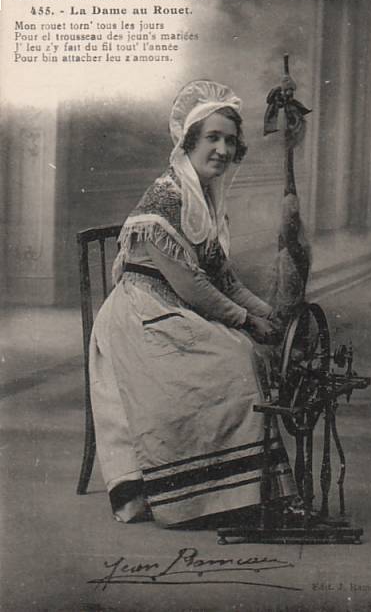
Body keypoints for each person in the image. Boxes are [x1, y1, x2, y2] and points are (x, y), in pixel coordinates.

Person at [89, 80, 303, 526]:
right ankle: (201, 493)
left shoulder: (203, 201)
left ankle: (238, 489)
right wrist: (248, 322)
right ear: (189, 143)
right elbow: (193, 288)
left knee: (246, 348)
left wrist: (272, 316)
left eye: (229, 140)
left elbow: (224, 280)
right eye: (213, 138)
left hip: (172, 308)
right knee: (233, 355)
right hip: (139, 317)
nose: (223, 149)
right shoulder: (166, 197)